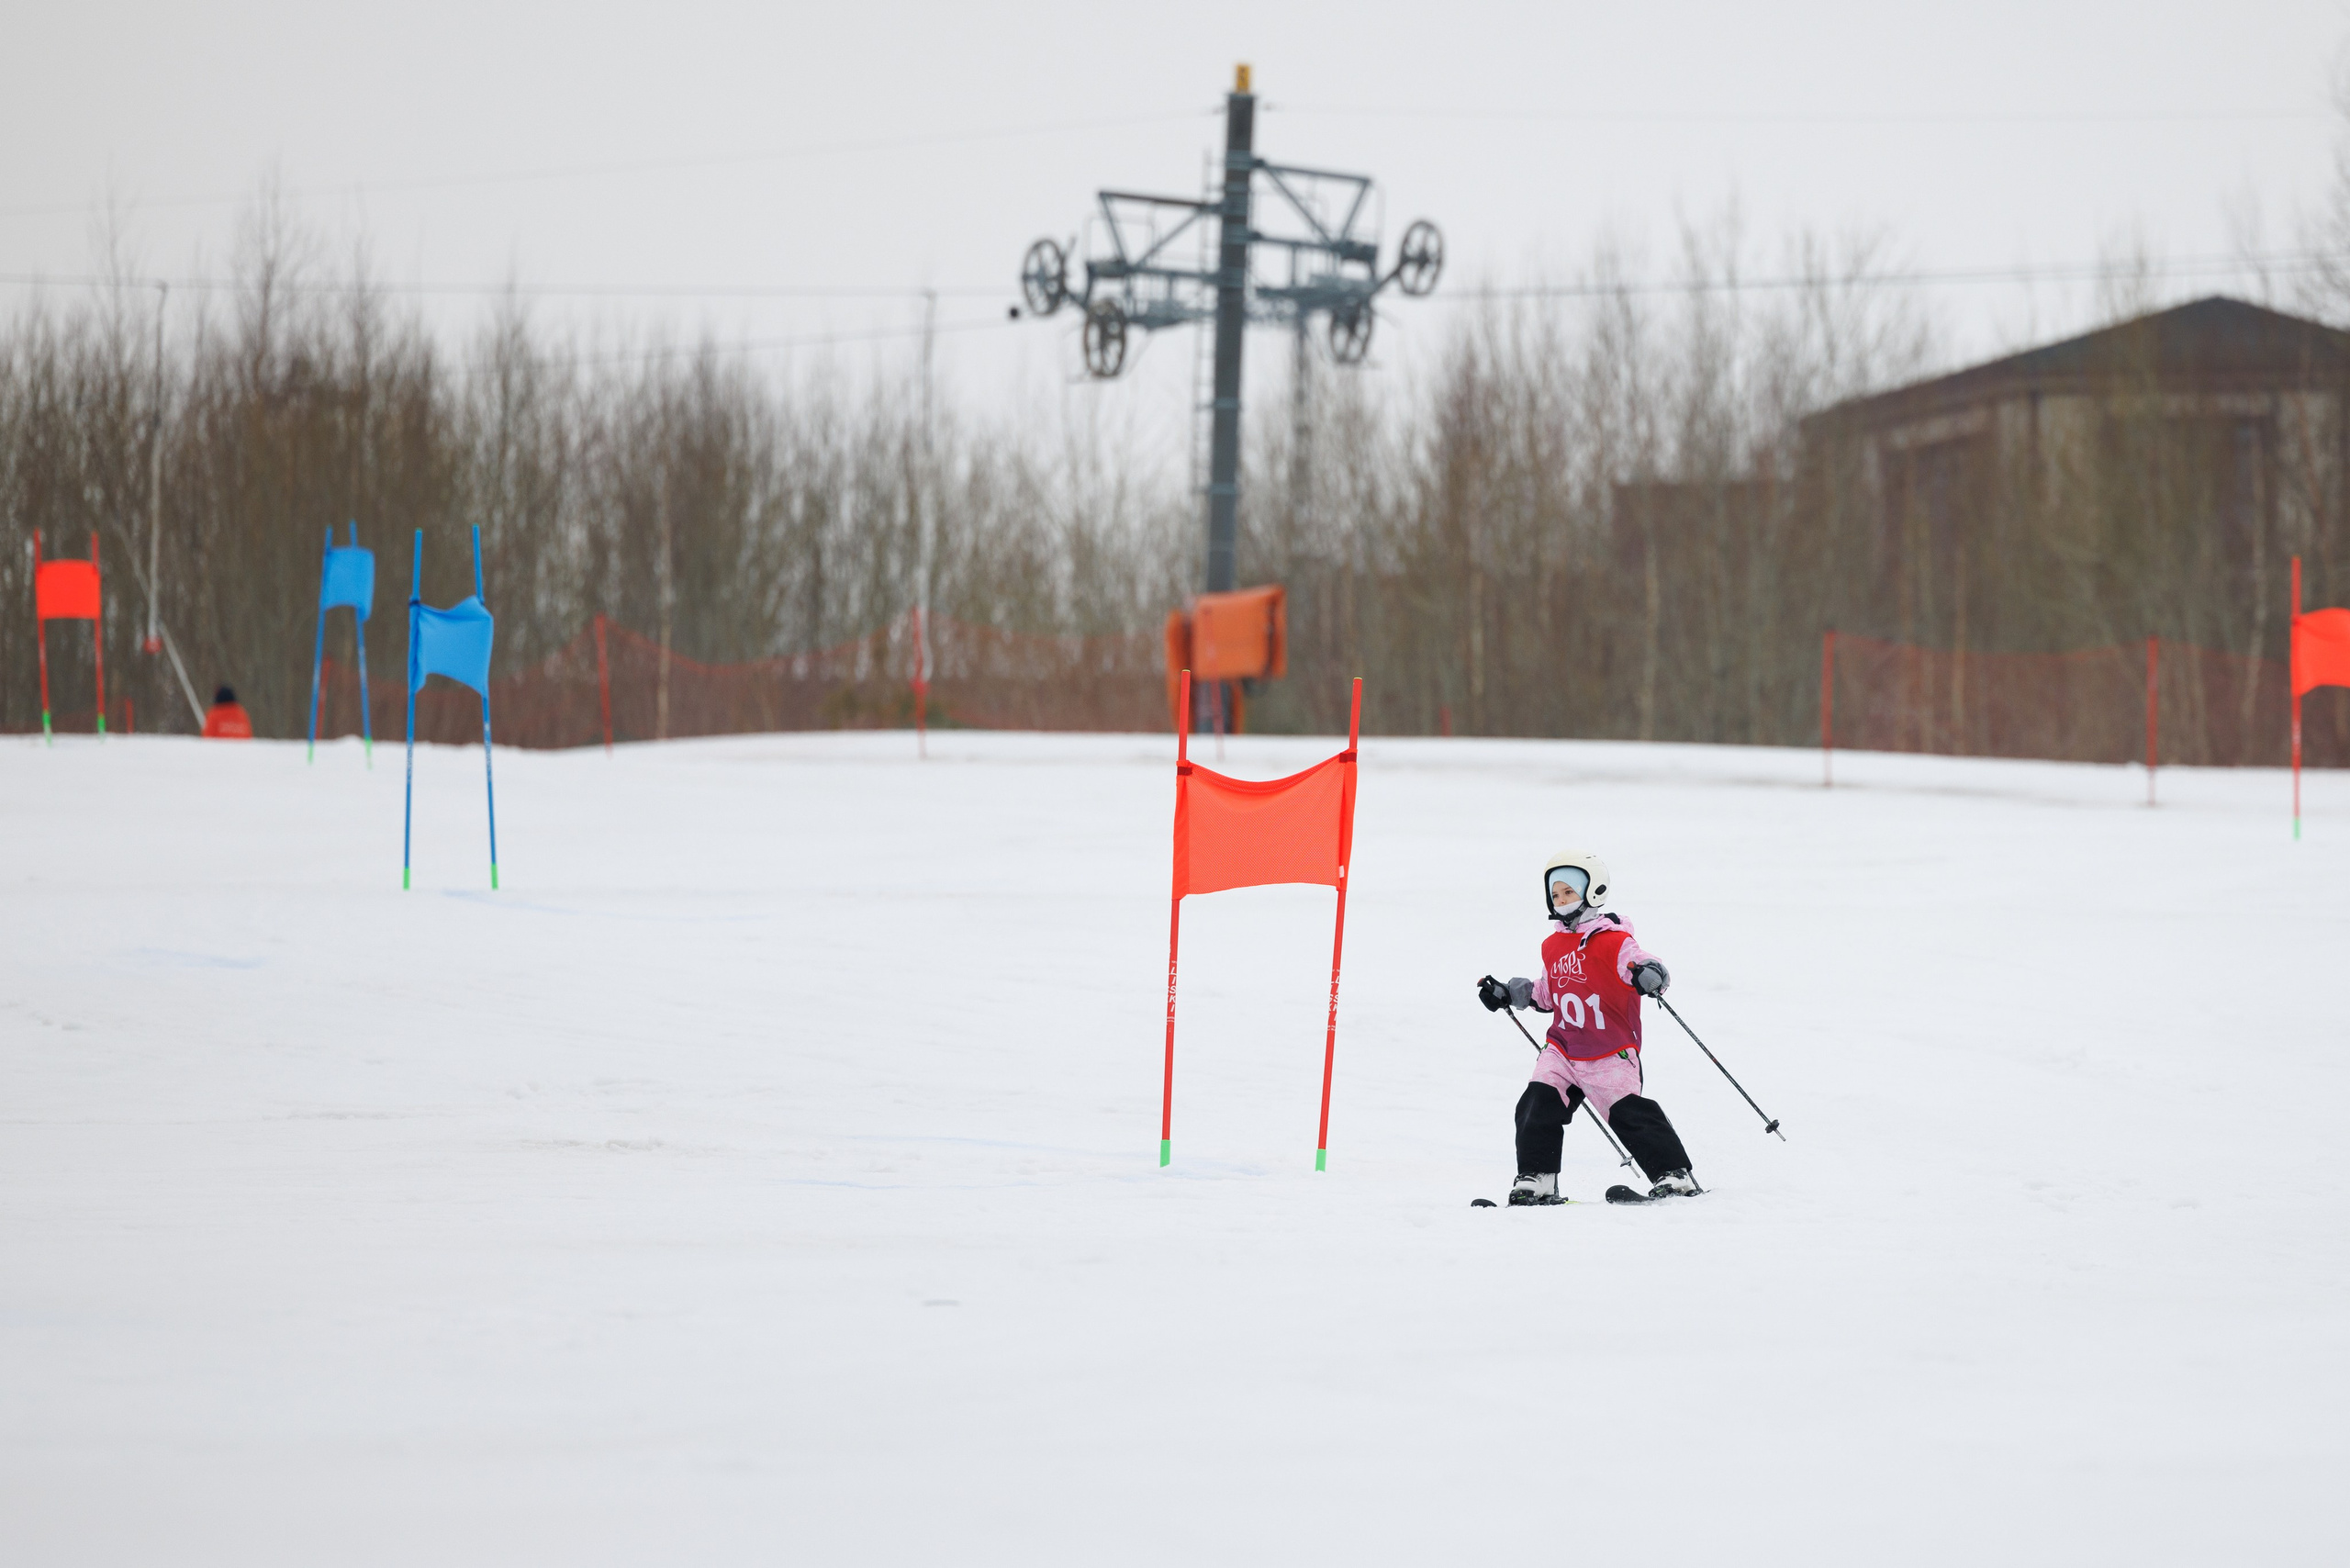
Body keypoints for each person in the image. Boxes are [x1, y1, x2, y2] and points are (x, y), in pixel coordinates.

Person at [1477, 850, 1698, 1205]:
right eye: (1556, 894)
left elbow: (1640, 963)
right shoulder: (1552, 945)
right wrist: (1508, 993)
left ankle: (1674, 1175)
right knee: (1537, 1103)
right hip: (1563, 1048)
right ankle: (1538, 1179)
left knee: (1629, 1113)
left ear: (1592, 892)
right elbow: (1548, 992)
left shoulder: (1615, 940)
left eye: (1570, 892)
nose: (1562, 900)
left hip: (1609, 1050)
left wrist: (1650, 974)